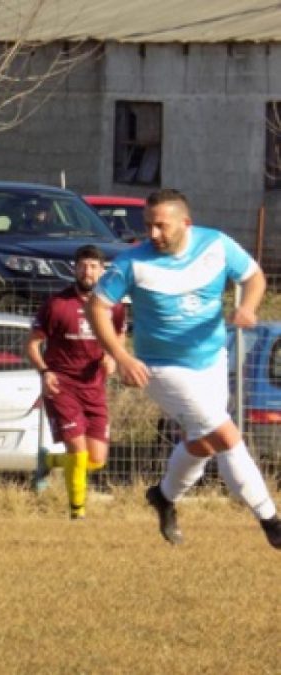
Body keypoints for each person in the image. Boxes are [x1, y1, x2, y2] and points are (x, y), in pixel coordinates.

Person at [88, 188, 280, 549]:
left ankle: (163, 496)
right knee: (226, 436)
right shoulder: (132, 263)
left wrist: (250, 307)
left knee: (204, 443)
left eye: (161, 226)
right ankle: (271, 520)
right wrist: (124, 356)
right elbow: (96, 307)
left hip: (211, 360)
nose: (153, 235)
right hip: (161, 368)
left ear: (185, 223)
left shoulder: (217, 246)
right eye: (149, 226)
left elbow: (254, 278)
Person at [26, 245, 126, 519]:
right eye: (83, 265)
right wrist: (45, 372)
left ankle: (48, 461)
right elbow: (33, 345)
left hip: (94, 387)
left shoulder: (113, 306)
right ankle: (77, 513)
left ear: (102, 270)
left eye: (94, 266)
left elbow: (118, 337)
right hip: (62, 386)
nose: (88, 271)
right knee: (79, 453)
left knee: (96, 460)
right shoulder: (57, 305)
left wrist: (113, 357)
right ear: (75, 268)